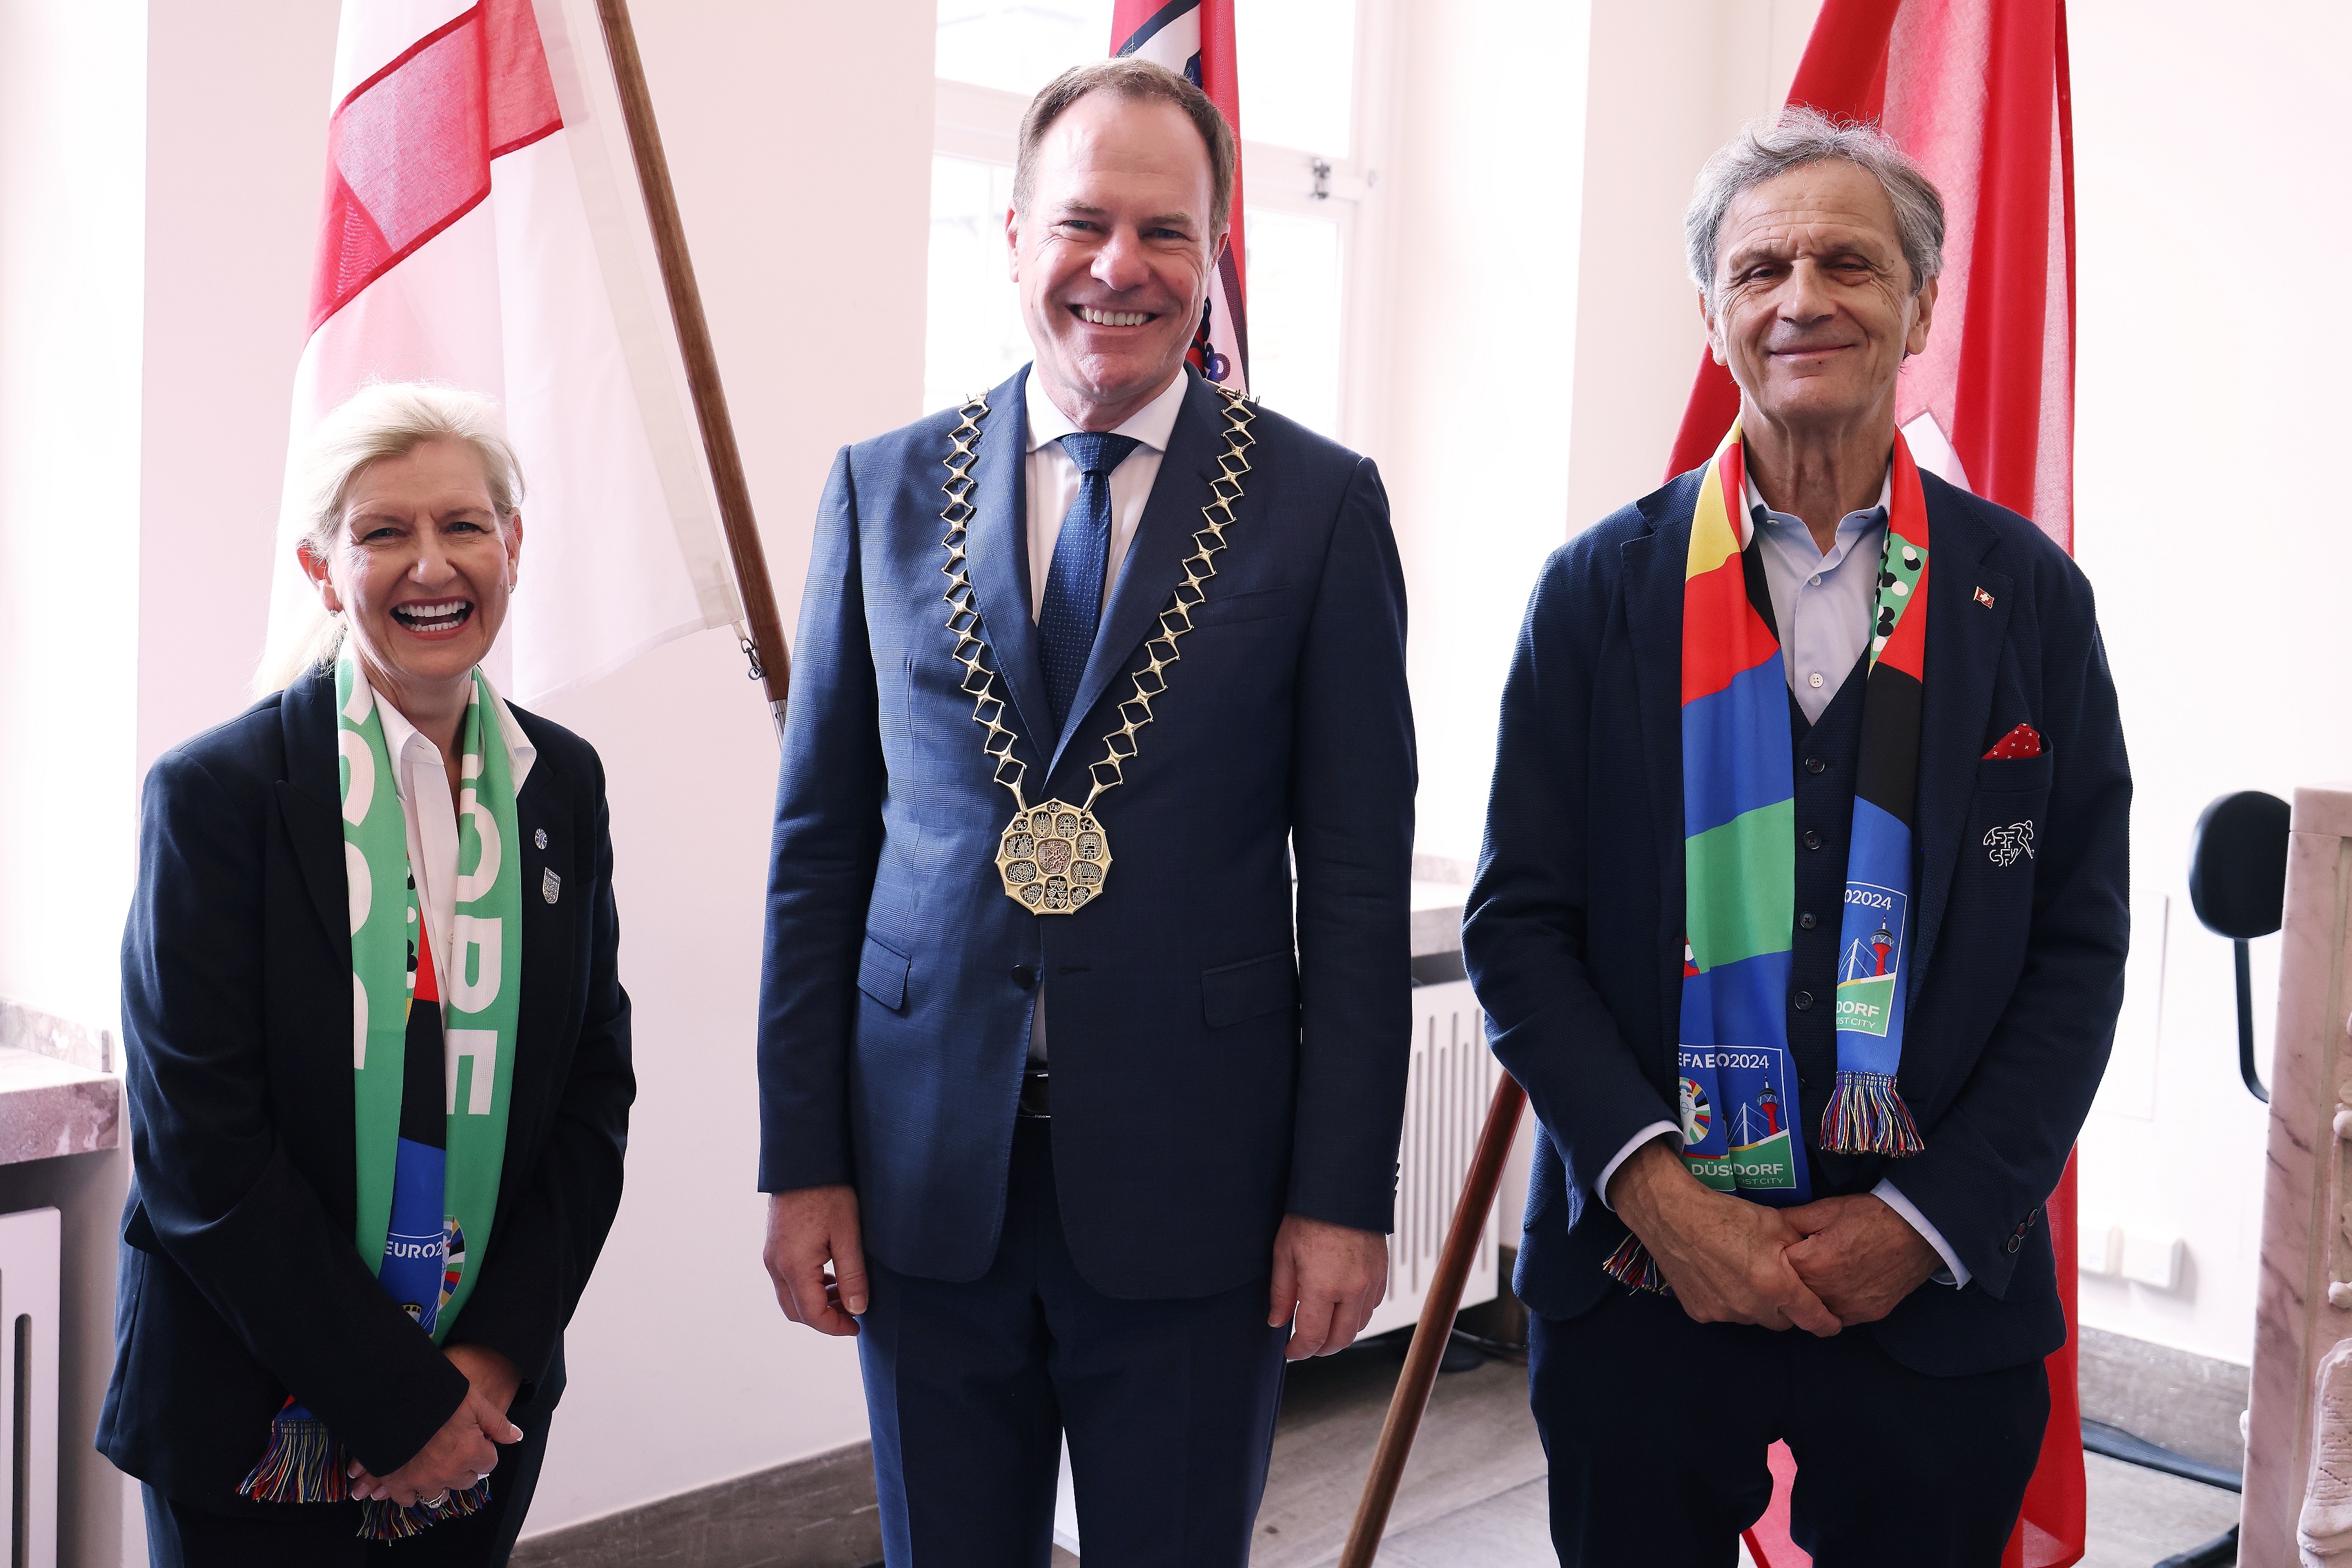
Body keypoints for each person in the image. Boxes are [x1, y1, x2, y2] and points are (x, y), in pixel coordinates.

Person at [756, 57, 1415, 1568]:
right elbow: (820, 857)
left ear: (1214, 258)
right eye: (1083, 222)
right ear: (1010, 238)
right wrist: (803, 1159)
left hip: (1203, 1190)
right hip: (925, 1179)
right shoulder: (881, 489)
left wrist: (1340, 1193)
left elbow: (1361, 888)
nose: (1120, 267)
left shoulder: (1319, 509)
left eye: (1167, 233)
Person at [1463, 110, 2129, 1565]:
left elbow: (2077, 950)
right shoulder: (1593, 596)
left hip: (1937, 1289)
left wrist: (1926, 1217)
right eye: (1761, 267)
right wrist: (1660, 1194)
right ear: (1711, 312)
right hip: (1644, 1275)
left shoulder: (2032, 603)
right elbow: (1516, 926)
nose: (1803, 297)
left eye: (1850, 261)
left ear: (1921, 304)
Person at [101, 383, 636, 1567]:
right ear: (321, 568)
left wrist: (488, 1360)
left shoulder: (564, 786)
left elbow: (593, 1094)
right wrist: (401, 1404)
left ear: (513, 547)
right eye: (383, 531)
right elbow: (202, 1144)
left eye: (464, 525)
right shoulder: (218, 798)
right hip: (252, 1420)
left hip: (481, 1413)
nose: (430, 564)